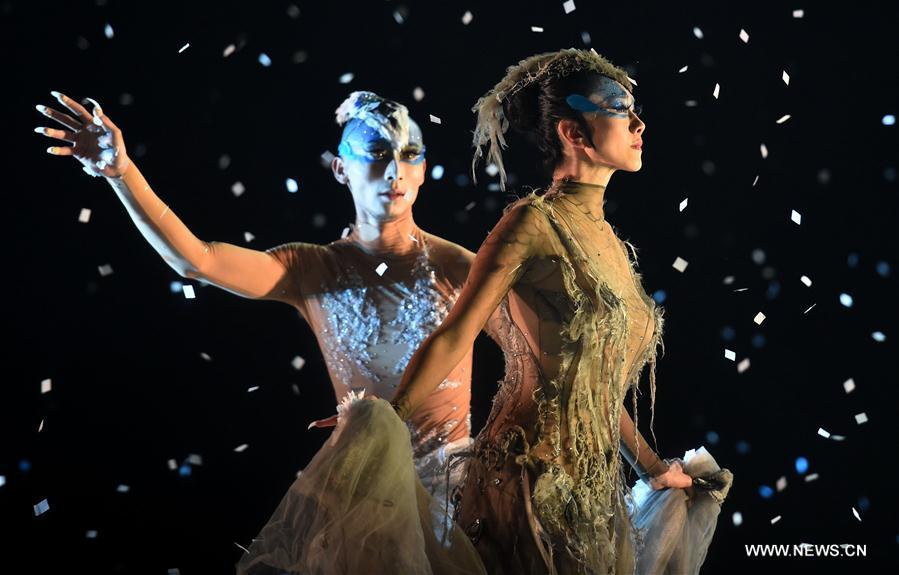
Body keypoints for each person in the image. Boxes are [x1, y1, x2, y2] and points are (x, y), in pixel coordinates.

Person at [34, 90, 492, 573]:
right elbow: (198, 261)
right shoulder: (312, 269)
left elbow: (534, 356)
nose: (394, 171)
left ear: (423, 169)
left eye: (408, 155)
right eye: (377, 154)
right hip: (362, 501)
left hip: (455, 499)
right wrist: (122, 173)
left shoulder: (462, 268)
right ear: (340, 169)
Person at [390, 48, 733, 574]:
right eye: (619, 108)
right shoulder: (531, 223)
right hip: (526, 483)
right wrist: (382, 422)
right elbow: (455, 335)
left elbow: (594, 386)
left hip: (594, 497)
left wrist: (651, 469)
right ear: (574, 134)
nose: (639, 121)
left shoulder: (612, 244)